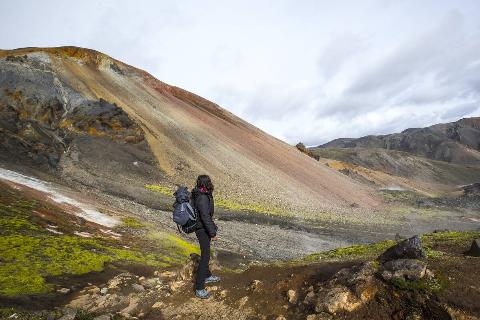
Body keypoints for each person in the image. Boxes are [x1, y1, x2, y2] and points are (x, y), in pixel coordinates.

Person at [191, 174, 220, 299]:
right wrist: (212, 233)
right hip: (202, 229)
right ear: (206, 183)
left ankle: (207, 276)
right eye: (209, 181)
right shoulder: (202, 197)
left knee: (205, 254)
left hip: (202, 228)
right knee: (205, 257)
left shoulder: (200, 193)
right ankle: (199, 288)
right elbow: (205, 217)